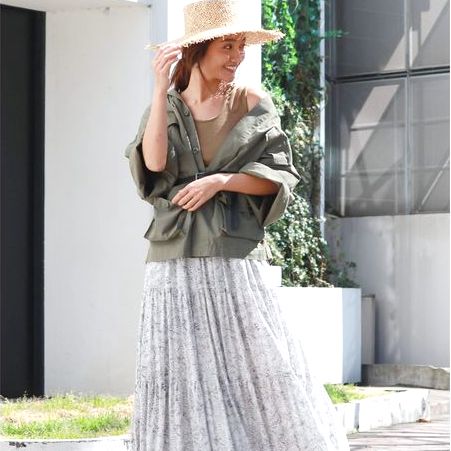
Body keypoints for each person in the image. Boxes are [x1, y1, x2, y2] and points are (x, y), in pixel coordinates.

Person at [124, 0, 350, 449]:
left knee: (261, 364)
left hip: (233, 253)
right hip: (172, 257)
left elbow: (280, 175)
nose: (237, 56)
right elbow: (154, 163)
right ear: (198, 50)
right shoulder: (166, 106)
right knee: (179, 371)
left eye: (240, 46)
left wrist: (221, 181)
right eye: (227, 46)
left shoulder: (251, 101)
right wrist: (159, 88)